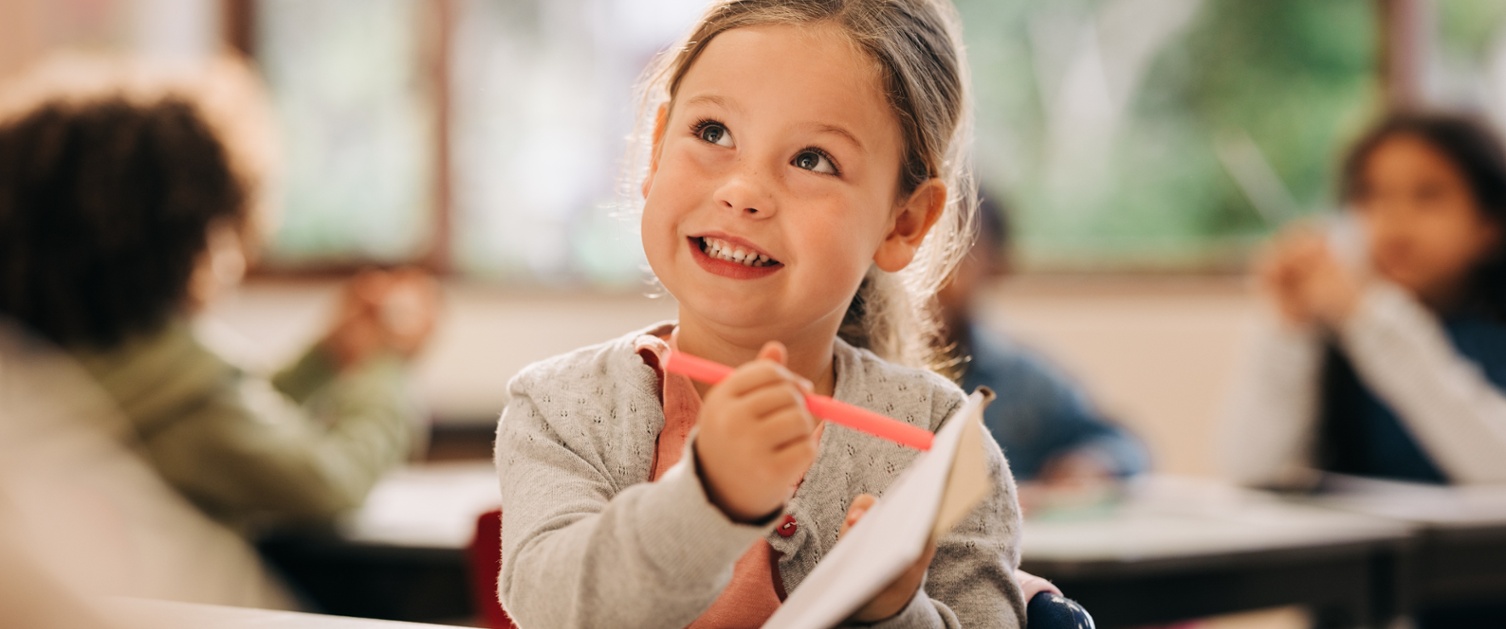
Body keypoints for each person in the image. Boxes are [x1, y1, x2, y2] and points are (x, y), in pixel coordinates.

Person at [493, 1, 1026, 627]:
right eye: (713, 132)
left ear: (904, 221)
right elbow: (550, 605)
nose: (742, 191)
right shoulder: (562, 408)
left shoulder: (940, 445)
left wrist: (894, 611)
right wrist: (708, 503)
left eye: (812, 160)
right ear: (657, 149)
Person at [0, 55, 441, 532]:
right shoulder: (182, 394)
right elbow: (330, 480)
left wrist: (325, 359)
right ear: (177, 235)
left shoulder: (50, 363)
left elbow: (239, 419)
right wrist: (385, 368)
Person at [1221, 110, 1506, 488]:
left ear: (1490, 223)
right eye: (1372, 195)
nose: (1396, 218)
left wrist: (1372, 320)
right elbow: (1249, 469)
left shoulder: (1481, 335)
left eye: (1428, 195)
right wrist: (1287, 330)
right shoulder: (1334, 333)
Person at [939, 192, 1148, 491]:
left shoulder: (1022, 379)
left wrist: (1091, 463)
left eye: (955, 247)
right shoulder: (865, 364)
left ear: (997, 265)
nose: (934, 268)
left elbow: (1123, 444)